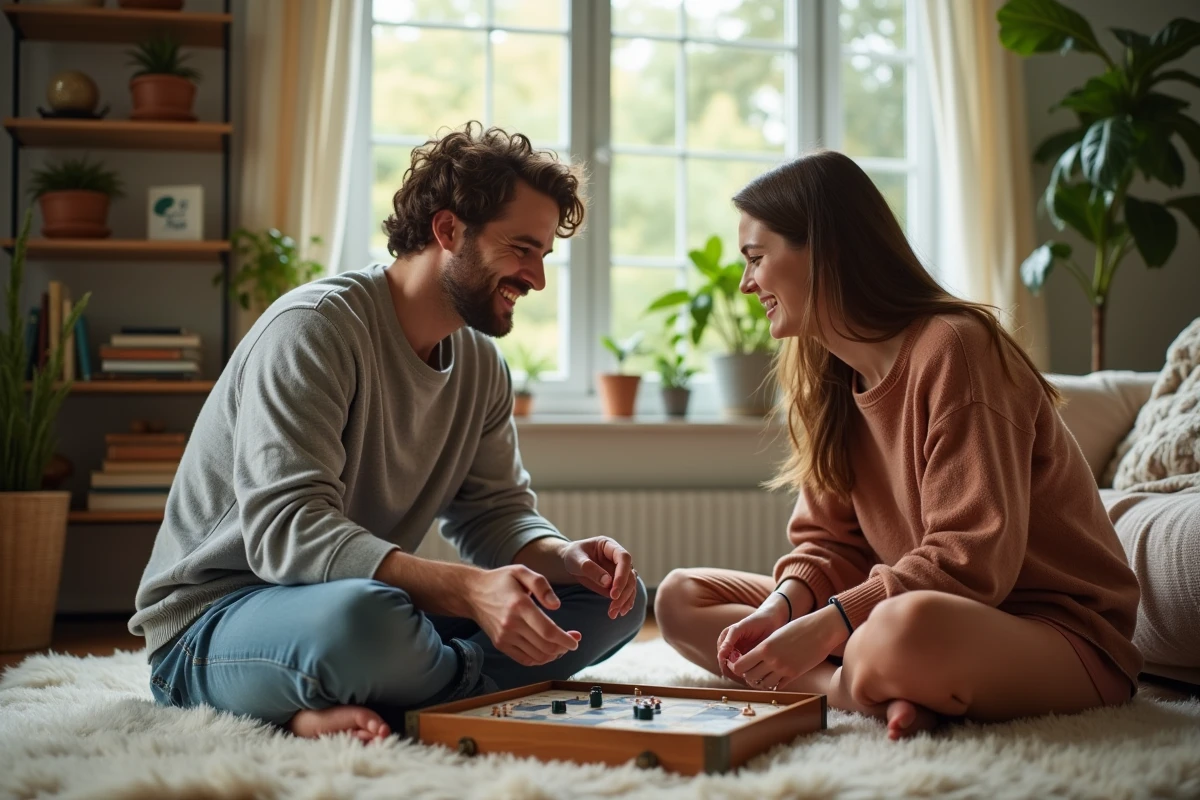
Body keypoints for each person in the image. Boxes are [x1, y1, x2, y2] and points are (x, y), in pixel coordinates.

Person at [130, 123, 647, 742]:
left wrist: (564, 558)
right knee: (368, 621)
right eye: (522, 248)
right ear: (449, 230)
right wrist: (466, 590)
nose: (536, 278)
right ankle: (444, 691)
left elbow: (495, 515)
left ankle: (400, 691)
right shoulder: (314, 330)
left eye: (543, 256)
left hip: (359, 604)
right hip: (219, 618)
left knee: (617, 604)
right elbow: (287, 531)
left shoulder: (482, 366)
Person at [654, 150, 1141, 740]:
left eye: (757, 258)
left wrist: (830, 626)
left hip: (1056, 632)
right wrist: (780, 610)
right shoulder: (826, 374)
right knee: (681, 598)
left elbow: (972, 558)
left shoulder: (957, 348)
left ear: (825, 252)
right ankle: (873, 686)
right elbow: (830, 542)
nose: (747, 281)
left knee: (896, 632)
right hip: (921, 610)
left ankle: (849, 685)